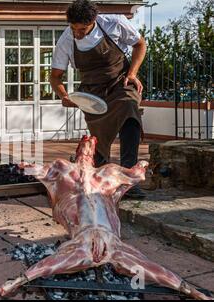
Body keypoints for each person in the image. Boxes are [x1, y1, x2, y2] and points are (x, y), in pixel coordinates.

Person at [50, 0, 147, 198]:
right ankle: (103, 181)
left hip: (120, 84)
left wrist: (133, 73)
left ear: (94, 20)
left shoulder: (115, 23)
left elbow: (140, 44)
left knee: (130, 113)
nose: (77, 33)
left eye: (82, 29)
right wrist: (64, 95)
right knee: (99, 137)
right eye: (73, 28)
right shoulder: (66, 40)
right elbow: (55, 76)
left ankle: (130, 180)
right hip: (92, 93)